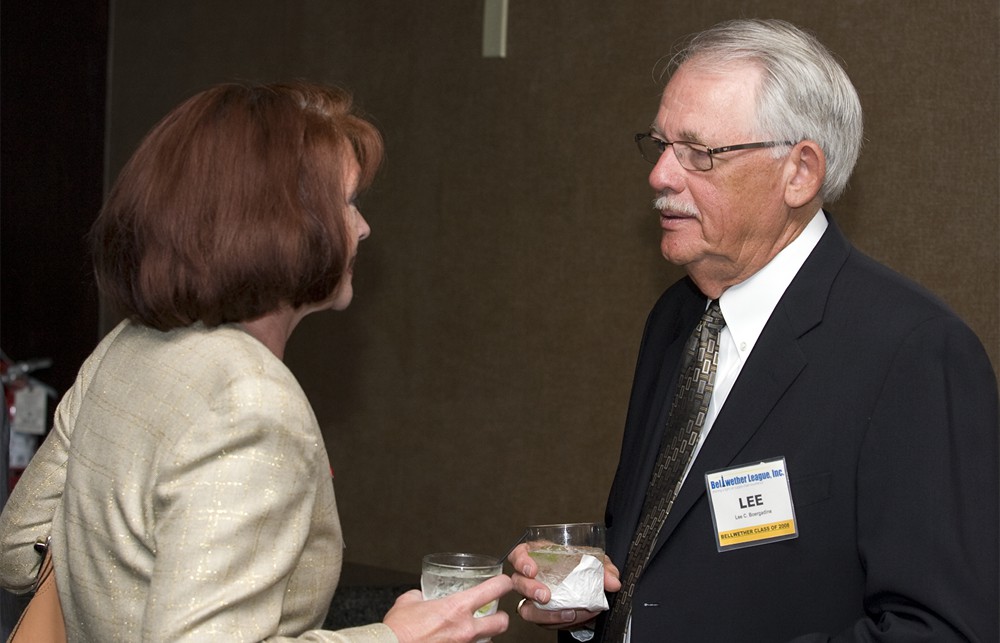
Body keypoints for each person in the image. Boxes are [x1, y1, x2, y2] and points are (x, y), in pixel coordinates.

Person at [510, 18, 998, 642]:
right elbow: (669, 568)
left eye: (698, 153)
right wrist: (588, 606)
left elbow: (945, 630)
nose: (660, 175)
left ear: (799, 172)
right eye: (659, 145)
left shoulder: (912, 351)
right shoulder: (676, 319)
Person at [0, 82, 512, 642]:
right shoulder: (250, 403)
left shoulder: (126, 346)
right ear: (281, 223)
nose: (363, 228)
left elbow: (18, 549)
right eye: (349, 204)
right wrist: (394, 639)